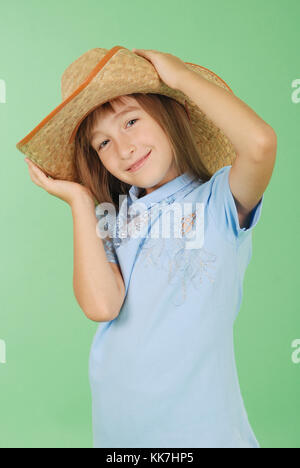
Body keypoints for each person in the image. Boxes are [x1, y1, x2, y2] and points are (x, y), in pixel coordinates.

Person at [18, 46, 277, 448]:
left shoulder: (218, 202)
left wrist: (179, 78)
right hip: (119, 430)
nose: (123, 149)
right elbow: (101, 306)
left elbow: (260, 144)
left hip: (201, 433)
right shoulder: (112, 218)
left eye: (131, 121)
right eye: (102, 144)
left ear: (171, 115)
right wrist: (81, 202)